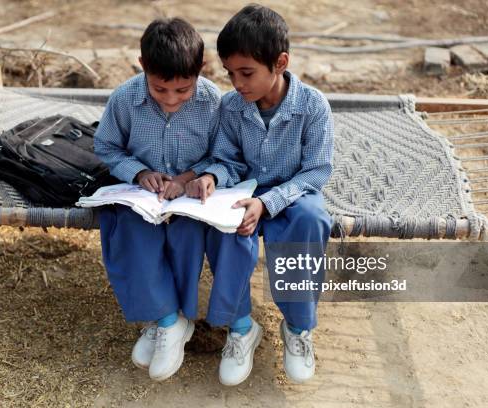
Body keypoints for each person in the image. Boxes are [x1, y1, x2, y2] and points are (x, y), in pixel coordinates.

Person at [186, 4, 334, 385]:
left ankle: (298, 329)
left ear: (280, 62)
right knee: (225, 228)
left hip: (293, 194)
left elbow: (316, 171)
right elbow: (226, 159)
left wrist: (268, 203)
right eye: (230, 73)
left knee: (312, 221)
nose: (237, 83)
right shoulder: (232, 107)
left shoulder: (313, 106)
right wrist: (212, 177)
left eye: (246, 73)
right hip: (243, 192)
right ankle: (240, 328)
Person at [93, 17, 221, 382]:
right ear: (143, 66)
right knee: (129, 235)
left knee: (186, 237)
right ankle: (167, 321)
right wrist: (137, 172)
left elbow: (224, 155)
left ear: (200, 70)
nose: (171, 100)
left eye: (183, 90)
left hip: (191, 199)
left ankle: (170, 316)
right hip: (141, 197)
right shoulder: (124, 100)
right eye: (160, 89)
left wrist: (189, 178)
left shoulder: (213, 102)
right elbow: (106, 146)